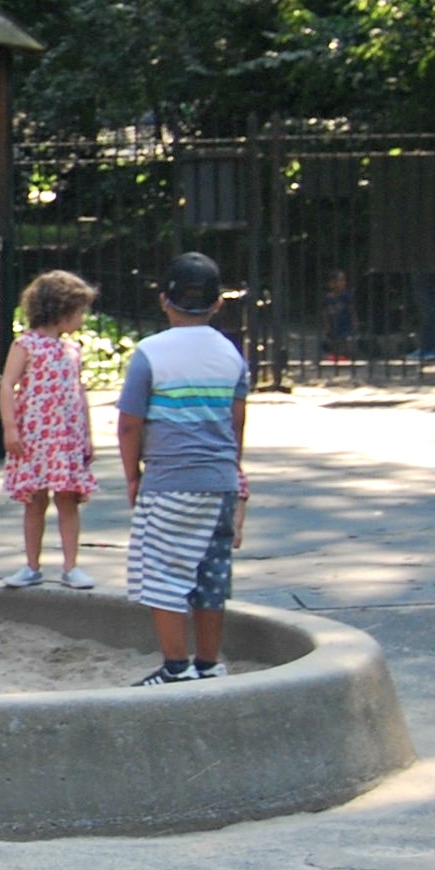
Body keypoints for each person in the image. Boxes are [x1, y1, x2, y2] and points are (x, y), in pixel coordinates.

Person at [119, 252, 250, 686]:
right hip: (220, 481)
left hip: (171, 481)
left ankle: (175, 666)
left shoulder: (150, 354)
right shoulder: (231, 355)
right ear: (217, 304)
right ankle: (209, 663)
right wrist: (234, 471)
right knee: (211, 574)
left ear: (164, 300)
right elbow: (236, 422)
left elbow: (130, 424)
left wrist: (134, 475)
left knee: (163, 571)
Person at [0, 269, 98, 590]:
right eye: (79, 311)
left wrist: (87, 436)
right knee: (35, 501)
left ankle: (71, 566)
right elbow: (8, 385)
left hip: (65, 438)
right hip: (35, 436)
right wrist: (10, 428)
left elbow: (79, 393)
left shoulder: (72, 350)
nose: (82, 318)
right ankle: (32, 565)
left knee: (67, 500)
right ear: (61, 310)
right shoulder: (26, 345)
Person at [322, 269, 356, 364]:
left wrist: (354, 321)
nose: (342, 283)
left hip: (345, 323)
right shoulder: (328, 298)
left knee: (347, 342)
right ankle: (336, 357)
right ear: (331, 283)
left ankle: (347, 357)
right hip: (334, 324)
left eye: (343, 280)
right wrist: (326, 325)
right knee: (335, 343)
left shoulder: (347, 296)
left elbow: (352, 309)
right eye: (339, 280)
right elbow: (325, 312)